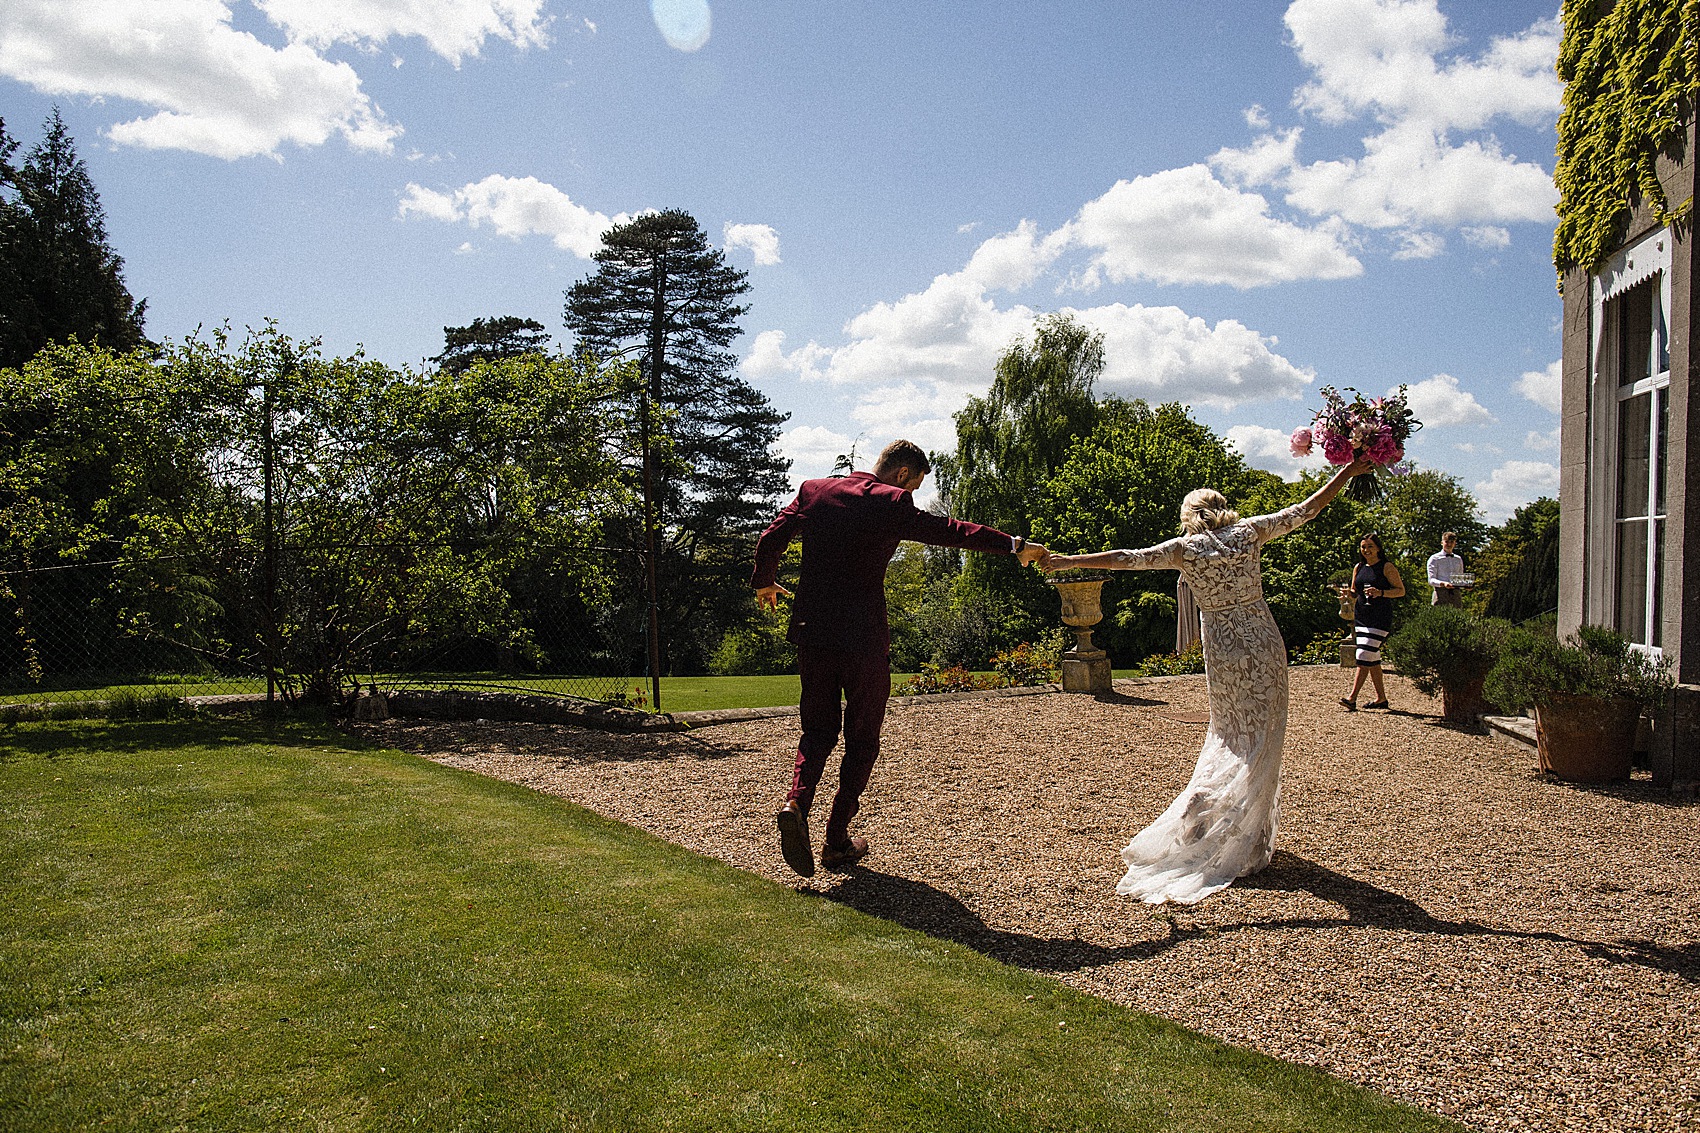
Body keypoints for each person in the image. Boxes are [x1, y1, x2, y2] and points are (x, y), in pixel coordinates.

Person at [1039, 459, 1369, 905]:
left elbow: (1124, 559)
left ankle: (1220, 826)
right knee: (1263, 740)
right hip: (1264, 642)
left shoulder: (1184, 549)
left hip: (1225, 649)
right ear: (1223, 508)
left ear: (1188, 516)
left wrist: (1065, 562)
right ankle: (1241, 839)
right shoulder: (1251, 532)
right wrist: (1347, 472)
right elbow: (1306, 508)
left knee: (1229, 738)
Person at [750, 439, 1048, 877]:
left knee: (817, 729)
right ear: (905, 474)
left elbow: (771, 535)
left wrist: (764, 581)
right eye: (917, 483)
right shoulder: (891, 502)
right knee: (862, 739)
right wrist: (1015, 545)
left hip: (813, 632)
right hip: (864, 639)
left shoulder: (815, 489)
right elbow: (953, 530)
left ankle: (796, 801)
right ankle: (836, 840)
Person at [1339, 532, 1405, 710]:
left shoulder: (1387, 567)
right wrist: (1347, 595)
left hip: (1379, 617)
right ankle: (1381, 699)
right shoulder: (1359, 567)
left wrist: (1381, 593)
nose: (1366, 550)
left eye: (1370, 546)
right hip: (1362, 616)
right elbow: (1355, 592)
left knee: (1362, 655)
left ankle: (1351, 698)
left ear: (1378, 548)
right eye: (1363, 547)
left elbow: (1400, 591)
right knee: (1371, 656)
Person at [1426, 531, 1465, 607]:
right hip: (1440, 593)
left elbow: (1460, 577)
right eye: (1446, 542)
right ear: (1442, 543)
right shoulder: (1434, 558)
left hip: (1456, 594)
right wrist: (1444, 584)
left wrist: (1467, 585)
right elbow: (1431, 580)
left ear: (1455, 543)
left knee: (1457, 617)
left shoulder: (1458, 559)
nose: (1449, 544)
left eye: (1451, 542)